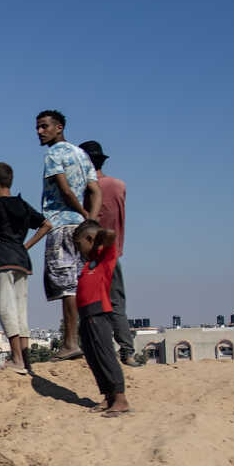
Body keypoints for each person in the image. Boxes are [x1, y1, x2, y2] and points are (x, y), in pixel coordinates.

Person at [36, 111, 101, 360]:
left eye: (44, 127)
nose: (40, 132)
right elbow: (95, 189)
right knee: (80, 283)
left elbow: (64, 190)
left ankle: (70, 343)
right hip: (80, 230)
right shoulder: (81, 154)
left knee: (66, 287)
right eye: (38, 128)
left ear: (58, 128)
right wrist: (91, 219)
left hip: (62, 225)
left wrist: (82, 213)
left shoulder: (54, 154)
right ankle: (85, 340)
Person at [0, 163, 49, 374]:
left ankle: (17, 359)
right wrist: (25, 246)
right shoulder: (21, 204)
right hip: (22, 261)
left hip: (2, 260)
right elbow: (46, 224)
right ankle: (26, 360)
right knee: (21, 310)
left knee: (6, 308)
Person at [80, 141, 135, 365]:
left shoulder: (87, 190)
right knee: (117, 304)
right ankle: (128, 351)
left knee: (92, 307)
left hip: (93, 256)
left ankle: (100, 352)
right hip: (114, 252)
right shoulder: (119, 185)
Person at [72, 220, 131, 416]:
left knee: (104, 355)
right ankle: (108, 396)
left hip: (98, 313)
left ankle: (120, 399)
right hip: (86, 315)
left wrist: (97, 240)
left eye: (80, 245)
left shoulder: (106, 257)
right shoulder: (90, 263)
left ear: (90, 239)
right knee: (93, 356)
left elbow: (111, 235)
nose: (79, 250)